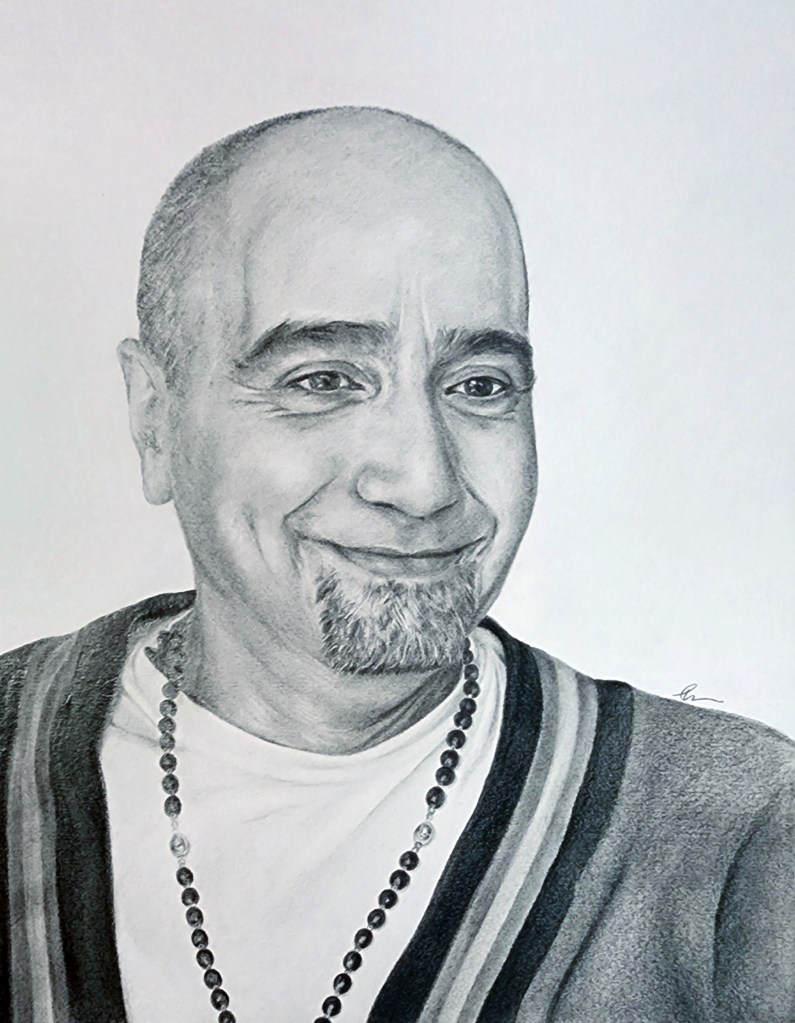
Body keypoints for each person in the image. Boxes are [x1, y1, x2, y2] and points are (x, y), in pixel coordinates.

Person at [1, 107, 793, 1023]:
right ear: (154, 419)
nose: (423, 482)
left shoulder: (739, 835)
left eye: (479, 386)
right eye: (323, 380)